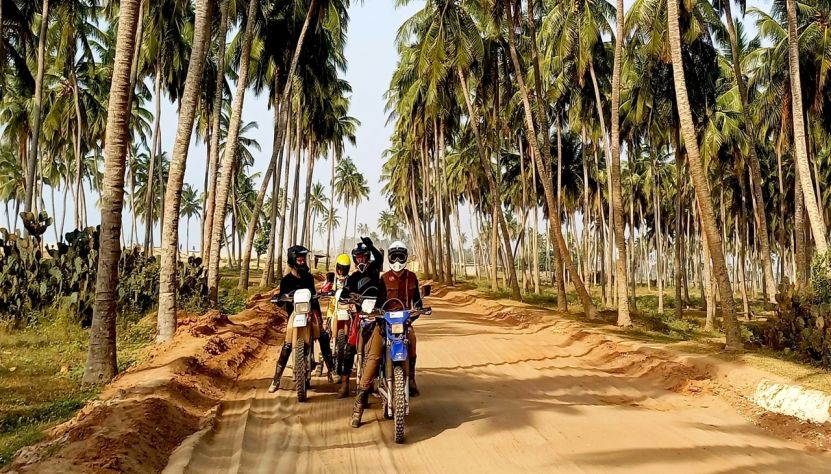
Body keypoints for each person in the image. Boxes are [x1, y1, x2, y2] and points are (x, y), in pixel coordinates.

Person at [351, 241, 423, 428]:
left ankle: (412, 379)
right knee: (373, 358)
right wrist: (374, 313)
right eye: (394, 256)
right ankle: (358, 407)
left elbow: (418, 302)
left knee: (413, 344)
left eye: (401, 256)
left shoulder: (412, 278)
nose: (397, 260)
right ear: (390, 257)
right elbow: (377, 303)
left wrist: (418, 312)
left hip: (404, 324)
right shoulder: (383, 279)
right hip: (384, 324)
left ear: (406, 257)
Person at [268, 245, 335, 393]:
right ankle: (276, 379)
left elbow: (314, 297)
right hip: (294, 315)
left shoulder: (308, 278)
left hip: (310, 313)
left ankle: (332, 369)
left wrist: (317, 313)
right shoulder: (286, 281)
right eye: (299, 259)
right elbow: (281, 301)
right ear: (292, 260)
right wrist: (278, 299)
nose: (302, 262)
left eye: (303, 259)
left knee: (323, 335)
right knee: (287, 344)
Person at [325, 253, 356, 398]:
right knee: (326, 330)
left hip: (346, 309)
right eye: (340, 268)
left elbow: (354, 291)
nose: (342, 271)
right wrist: (325, 290)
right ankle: (327, 354)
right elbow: (324, 288)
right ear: (336, 267)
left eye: (344, 269)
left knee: (355, 324)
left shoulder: (350, 280)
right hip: (334, 309)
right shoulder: (331, 278)